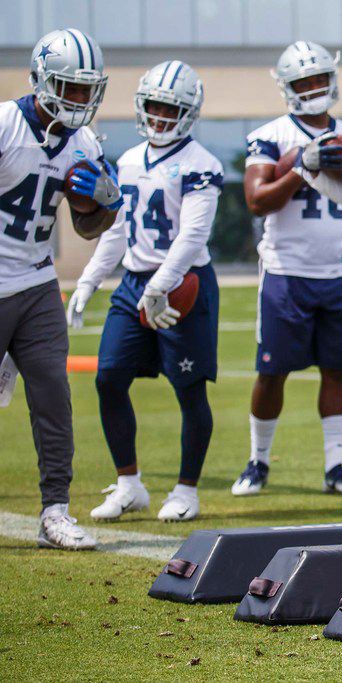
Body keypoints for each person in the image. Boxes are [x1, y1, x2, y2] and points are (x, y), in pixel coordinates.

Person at [68, 61, 221, 522]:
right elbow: (117, 231)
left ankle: (186, 490)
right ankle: (129, 484)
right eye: (153, 105)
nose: (158, 116)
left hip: (183, 284)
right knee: (108, 377)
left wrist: (159, 287)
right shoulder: (130, 160)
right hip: (136, 281)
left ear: (189, 112)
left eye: (169, 108)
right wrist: (90, 279)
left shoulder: (202, 165)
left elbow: (192, 237)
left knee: (189, 389)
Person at [0, 29, 122, 549]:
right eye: (68, 88)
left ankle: (55, 510)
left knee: (53, 394)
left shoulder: (84, 142)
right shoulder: (5, 124)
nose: (78, 100)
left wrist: (102, 203)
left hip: (36, 282)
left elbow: (87, 229)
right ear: (41, 79)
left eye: (85, 89)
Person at [231, 41, 342, 498]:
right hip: (287, 273)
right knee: (272, 372)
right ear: (287, 88)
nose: (312, 89)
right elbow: (256, 201)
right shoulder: (271, 135)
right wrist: (300, 169)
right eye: (302, 83)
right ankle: (258, 461)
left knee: (337, 370)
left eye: (317, 80)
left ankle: (337, 467)